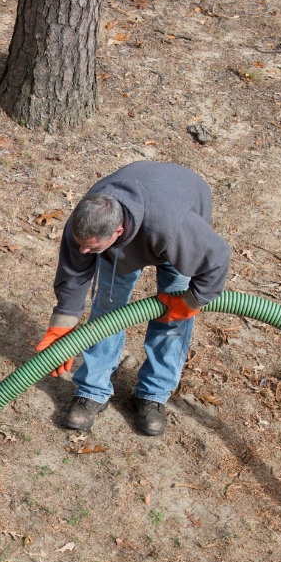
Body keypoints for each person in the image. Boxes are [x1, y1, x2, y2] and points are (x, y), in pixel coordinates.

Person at [35, 161, 230, 436]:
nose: (83, 250)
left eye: (91, 247)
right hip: (138, 225)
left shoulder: (174, 227)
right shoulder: (86, 224)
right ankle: (93, 389)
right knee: (107, 308)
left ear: (117, 231)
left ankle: (154, 394)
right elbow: (74, 271)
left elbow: (217, 259)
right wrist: (63, 321)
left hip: (175, 215)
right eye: (82, 243)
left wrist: (190, 303)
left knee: (173, 320)